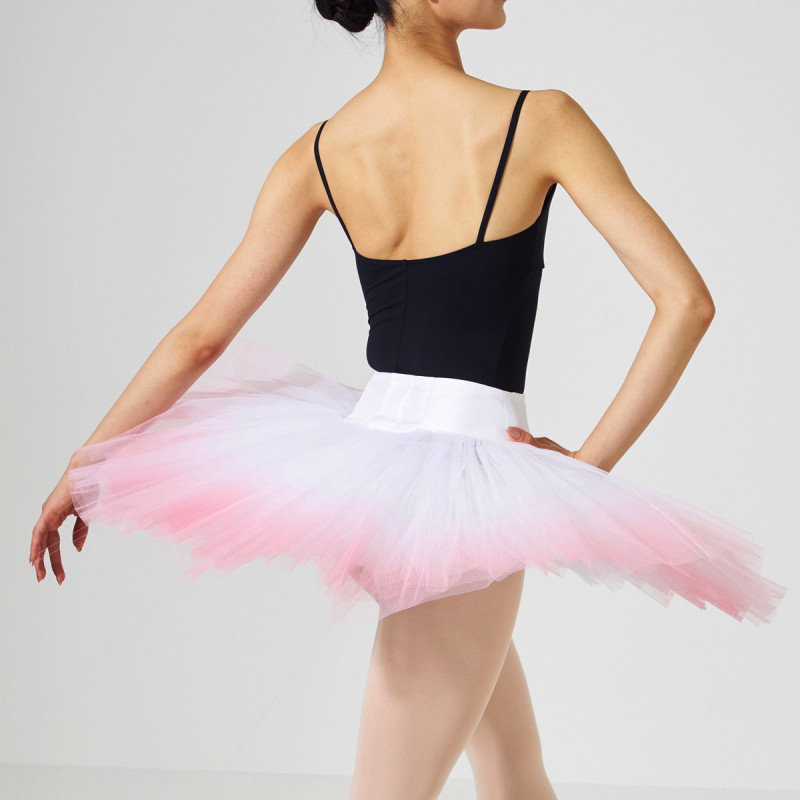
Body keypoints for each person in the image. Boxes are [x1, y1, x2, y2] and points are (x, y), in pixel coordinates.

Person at [29, 1, 787, 798]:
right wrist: (584, 470)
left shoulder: (319, 152)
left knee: (515, 776)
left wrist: (85, 464)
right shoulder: (541, 121)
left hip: (370, 474)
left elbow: (199, 339)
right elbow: (685, 302)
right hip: (464, 500)